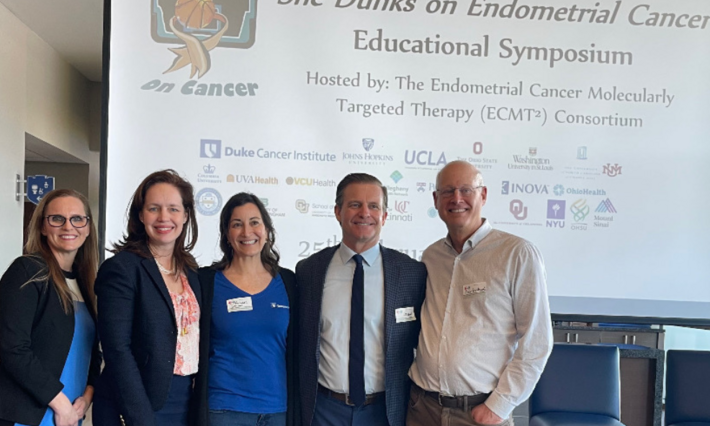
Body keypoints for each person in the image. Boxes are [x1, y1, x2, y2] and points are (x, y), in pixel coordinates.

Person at [407, 161, 553, 426]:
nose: (457, 198)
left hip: (478, 414)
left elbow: (537, 342)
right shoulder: (431, 256)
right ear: (436, 200)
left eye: (466, 190)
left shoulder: (517, 254)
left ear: (483, 195)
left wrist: (500, 406)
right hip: (422, 409)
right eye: (448, 191)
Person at [298, 173, 427, 426]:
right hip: (323, 410)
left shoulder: (411, 273)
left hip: (385, 412)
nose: (364, 213)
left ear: (385, 216)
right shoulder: (309, 270)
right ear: (338, 211)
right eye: (355, 204)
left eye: (374, 206)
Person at [92, 170, 202, 426]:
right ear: (140, 215)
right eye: (154, 208)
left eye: (173, 209)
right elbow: (117, 350)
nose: (164, 217)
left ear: (186, 215)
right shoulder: (122, 269)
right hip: (135, 405)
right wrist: (139, 418)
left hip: (184, 401)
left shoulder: (191, 270)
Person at [195, 193, 298, 426]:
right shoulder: (206, 282)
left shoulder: (289, 283)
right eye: (236, 224)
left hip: (278, 411)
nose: (246, 232)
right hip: (225, 410)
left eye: (254, 222)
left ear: (266, 229)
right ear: (226, 233)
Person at [0, 189, 100, 426]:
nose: (68, 227)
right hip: (28, 415)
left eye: (77, 219)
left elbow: (93, 353)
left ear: (87, 228)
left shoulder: (87, 283)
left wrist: (85, 400)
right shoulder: (27, 271)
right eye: (57, 219)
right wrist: (60, 404)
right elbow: (11, 347)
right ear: (43, 227)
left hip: (68, 416)